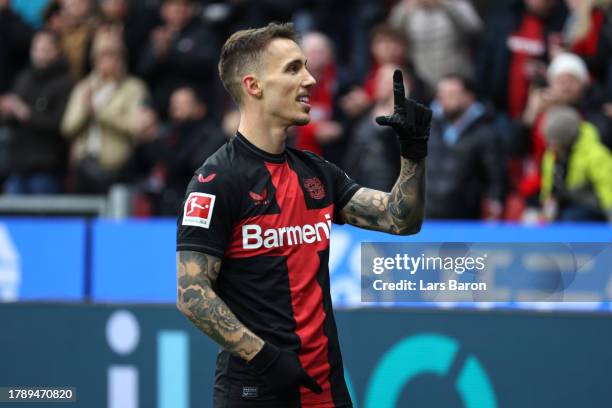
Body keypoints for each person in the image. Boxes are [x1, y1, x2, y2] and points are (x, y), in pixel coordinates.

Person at [175, 22, 431, 408]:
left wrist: (412, 154)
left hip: (326, 388)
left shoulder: (317, 173)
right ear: (253, 86)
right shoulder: (216, 181)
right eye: (293, 69)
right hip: (255, 390)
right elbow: (192, 294)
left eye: (307, 68)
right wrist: (265, 358)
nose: (310, 80)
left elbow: (401, 219)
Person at [61, 28, 148, 194]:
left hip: (117, 168)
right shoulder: (84, 87)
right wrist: (85, 112)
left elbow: (136, 127)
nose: (110, 62)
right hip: (83, 166)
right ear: (95, 60)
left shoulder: (134, 88)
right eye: (104, 57)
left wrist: (100, 113)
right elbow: (67, 128)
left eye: (115, 57)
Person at [0, 30, 73, 194]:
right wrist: (6, 112)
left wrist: (27, 113)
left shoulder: (65, 83)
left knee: (43, 217)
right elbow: (13, 119)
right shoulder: (23, 78)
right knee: (12, 215)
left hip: (47, 168)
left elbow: (60, 124)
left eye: (45, 49)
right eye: (37, 49)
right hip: (18, 166)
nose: (40, 54)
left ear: (57, 51)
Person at [426, 74, 506, 220]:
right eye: (441, 95)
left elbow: (496, 177)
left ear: (469, 97)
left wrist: (495, 206)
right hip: (425, 217)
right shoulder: (426, 128)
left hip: (465, 220)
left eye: (451, 94)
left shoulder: (485, 133)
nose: (444, 100)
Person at [540, 105, 612, 222]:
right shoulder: (551, 156)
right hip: (569, 204)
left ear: (564, 139)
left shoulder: (595, 154)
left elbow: (608, 189)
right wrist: (548, 210)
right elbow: (549, 190)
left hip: (596, 208)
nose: (549, 146)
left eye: (553, 142)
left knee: (570, 218)